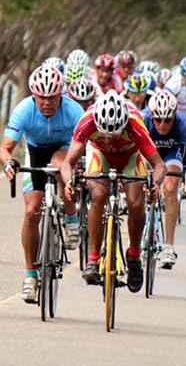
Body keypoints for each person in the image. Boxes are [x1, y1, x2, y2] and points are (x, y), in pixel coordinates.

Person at [60, 90, 166, 293]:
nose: (108, 140)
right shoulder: (88, 120)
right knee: (98, 195)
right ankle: (93, 259)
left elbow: (159, 165)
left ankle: (134, 255)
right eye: (104, 134)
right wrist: (68, 182)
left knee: (136, 202)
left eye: (114, 135)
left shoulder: (135, 123)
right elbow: (68, 163)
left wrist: (155, 184)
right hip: (99, 154)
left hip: (130, 155)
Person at [0, 65, 85, 303]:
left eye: (52, 97)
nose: (46, 102)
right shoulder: (24, 110)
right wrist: (8, 164)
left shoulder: (73, 110)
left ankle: (71, 217)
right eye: (41, 97)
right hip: (35, 152)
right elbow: (4, 148)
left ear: (61, 95)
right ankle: (30, 275)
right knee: (31, 211)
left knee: (60, 165)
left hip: (64, 150)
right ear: (33, 95)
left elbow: (88, 141)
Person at [141, 90, 186, 268]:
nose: (162, 124)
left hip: (172, 153)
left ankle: (169, 247)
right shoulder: (141, 121)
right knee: (139, 184)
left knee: (170, 188)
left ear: (174, 116)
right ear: (150, 116)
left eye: (167, 120)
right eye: (157, 120)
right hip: (149, 153)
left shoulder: (183, 124)